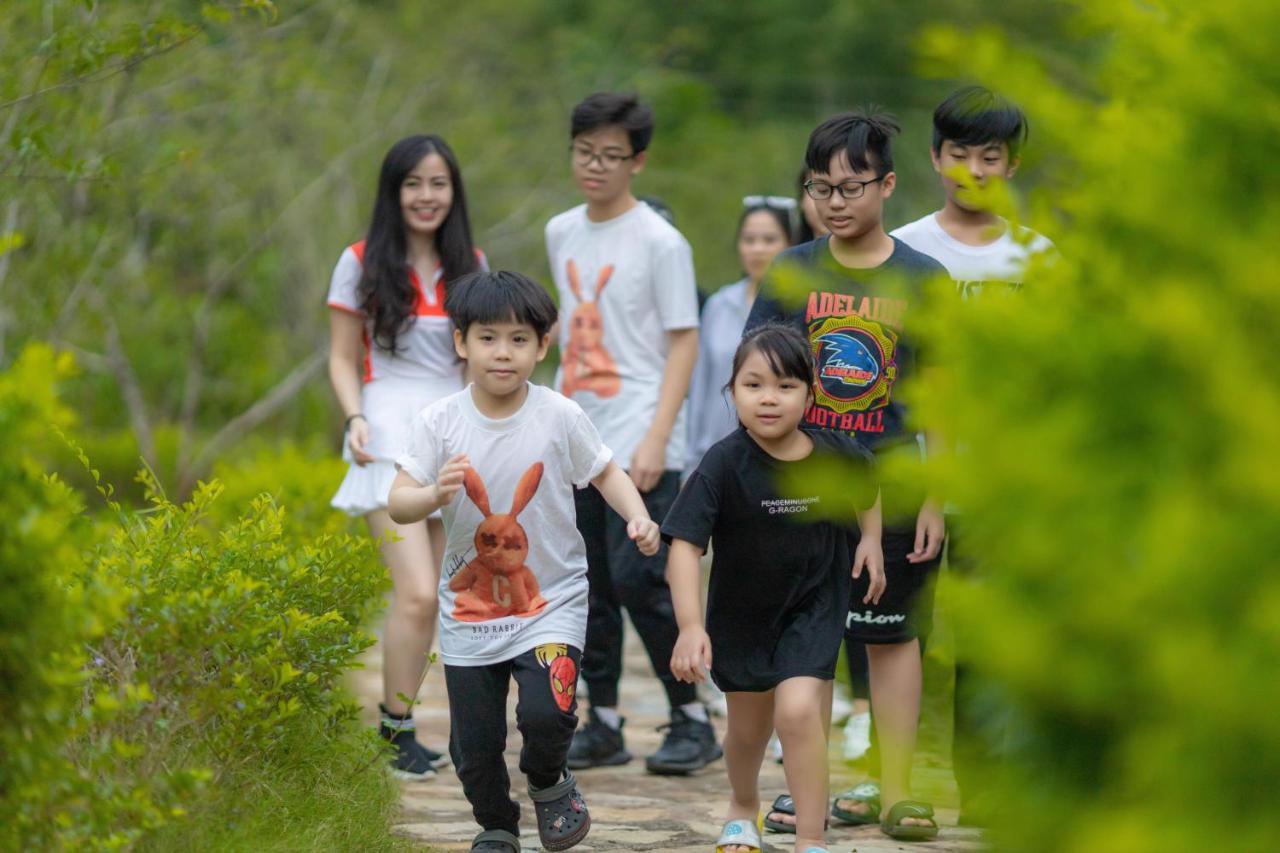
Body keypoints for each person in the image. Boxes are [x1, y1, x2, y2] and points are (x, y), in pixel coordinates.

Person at [387, 270, 661, 853]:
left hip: (551, 600)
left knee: (547, 713)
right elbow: (397, 503)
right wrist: (434, 494)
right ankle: (496, 825)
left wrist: (637, 516)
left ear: (543, 345)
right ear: (461, 342)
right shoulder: (439, 421)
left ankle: (548, 778)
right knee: (475, 746)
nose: (502, 353)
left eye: (519, 339)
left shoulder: (559, 414)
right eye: (488, 338)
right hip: (470, 614)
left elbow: (607, 471)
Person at [746, 109, 948, 842]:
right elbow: (756, 377)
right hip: (804, 486)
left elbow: (942, 397)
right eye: (819, 187)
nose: (835, 200)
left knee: (892, 639)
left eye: (851, 185)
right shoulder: (792, 271)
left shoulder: (925, 279)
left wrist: (934, 494)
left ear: (887, 184)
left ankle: (899, 791)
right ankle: (810, 794)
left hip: (894, 485)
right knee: (806, 641)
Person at [891, 85, 1053, 825]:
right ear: (935, 158)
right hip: (911, 472)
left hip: (1004, 478)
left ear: (1012, 164)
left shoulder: (1040, 257)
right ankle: (897, 782)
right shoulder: (906, 249)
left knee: (989, 643)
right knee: (899, 634)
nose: (974, 169)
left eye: (991, 155)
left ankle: (984, 791)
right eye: (960, 153)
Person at [546, 91, 721, 775]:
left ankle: (691, 715)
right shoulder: (561, 230)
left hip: (644, 434)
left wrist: (658, 437)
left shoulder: (660, 241)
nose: (595, 166)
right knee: (586, 579)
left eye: (611, 156)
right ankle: (605, 719)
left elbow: (684, 342)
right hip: (575, 432)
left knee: (640, 575)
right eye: (585, 152)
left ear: (638, 161)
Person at [665, 324, 884, 853]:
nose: (769, 398)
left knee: (798, 710)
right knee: (747, 732)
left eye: (786, 386)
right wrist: (691, 626)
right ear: (732, 391)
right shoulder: (722, 463)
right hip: (742, 614)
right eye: (753, 384)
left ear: (811, 394)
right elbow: (684, 547)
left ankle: (811, 837)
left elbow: (868, 486)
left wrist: (871, 541)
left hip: (815, 604)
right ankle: (743, 806)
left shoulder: (836, 453)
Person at [326, 134, 483, 778]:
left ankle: (467, 735)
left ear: (454, 191)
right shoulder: (359, 261)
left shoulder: (471, 262)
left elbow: (486, 355)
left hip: (456, 437)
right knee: (416, 594)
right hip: (386, 437)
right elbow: (341, 356)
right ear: (394, 193)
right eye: (413, 183)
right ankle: (395, 729)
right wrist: (355, 416)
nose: (426, 195)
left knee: (460, 595)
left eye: (438, 183)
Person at [685, 198, 795, 474]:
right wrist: (692, 464)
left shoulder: (800, 306)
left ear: (790, 245)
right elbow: (701, 387)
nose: (758, 249)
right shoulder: (719, 305)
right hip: (717, 459)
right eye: (749, 240)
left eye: (769, 239)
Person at [795, 167, 830, 244]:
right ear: (801, 200)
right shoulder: (789, 255)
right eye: (821, 190)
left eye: (848, 189)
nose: (834, 202)